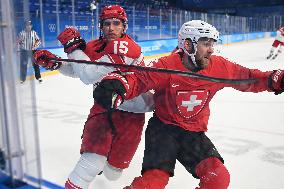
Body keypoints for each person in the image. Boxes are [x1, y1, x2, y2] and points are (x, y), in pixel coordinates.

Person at [93, 20, 284, 189]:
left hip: (193, 133)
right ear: (187, 44)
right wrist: (118, 85)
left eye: (212, 44)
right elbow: (139, 79)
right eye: (205, 44)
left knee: (218, 178)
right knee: (153, 182)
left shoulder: (219, 66)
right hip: (163, 131)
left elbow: (248, 78)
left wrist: (274, 79)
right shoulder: (167, 65)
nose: (211, 49)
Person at [33, 5, 154, 189]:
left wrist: (73, 48)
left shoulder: (128, 48)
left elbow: (88, 74)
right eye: (106, 23)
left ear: (124, 26)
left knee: (113, 173)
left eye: (116, 23)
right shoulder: (94, 46)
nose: (111, 28)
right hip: (103, 108)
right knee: (91, 162)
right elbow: (77, 70)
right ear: (100, 26)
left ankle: (108, 160)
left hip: (132, 113)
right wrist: (57, 64)